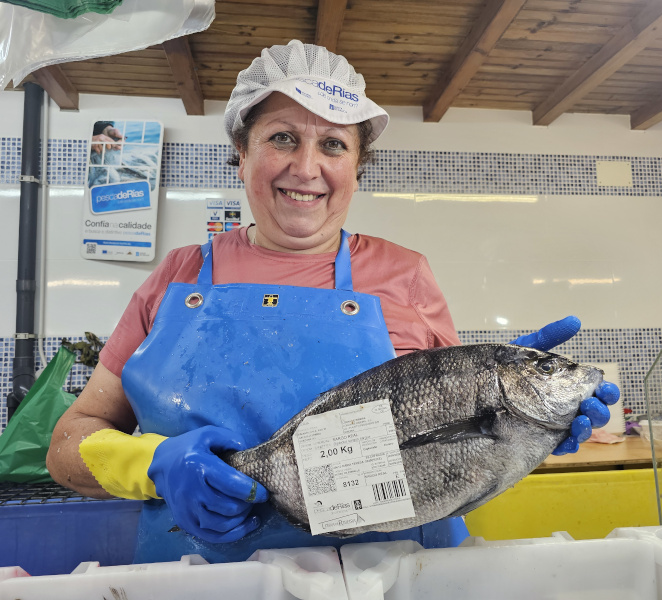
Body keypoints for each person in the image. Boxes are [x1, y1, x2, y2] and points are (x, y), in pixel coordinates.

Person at [47, 40, 619, 564]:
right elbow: (71, 442)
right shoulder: (176, 278)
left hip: (401, 574)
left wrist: (519, 415)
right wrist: (151, 465)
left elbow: (451, 442)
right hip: (206, 578)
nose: (306, 167)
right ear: (242, 154)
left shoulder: (407, 274)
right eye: (282, 137)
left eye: (333, 145)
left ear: (355, 168)